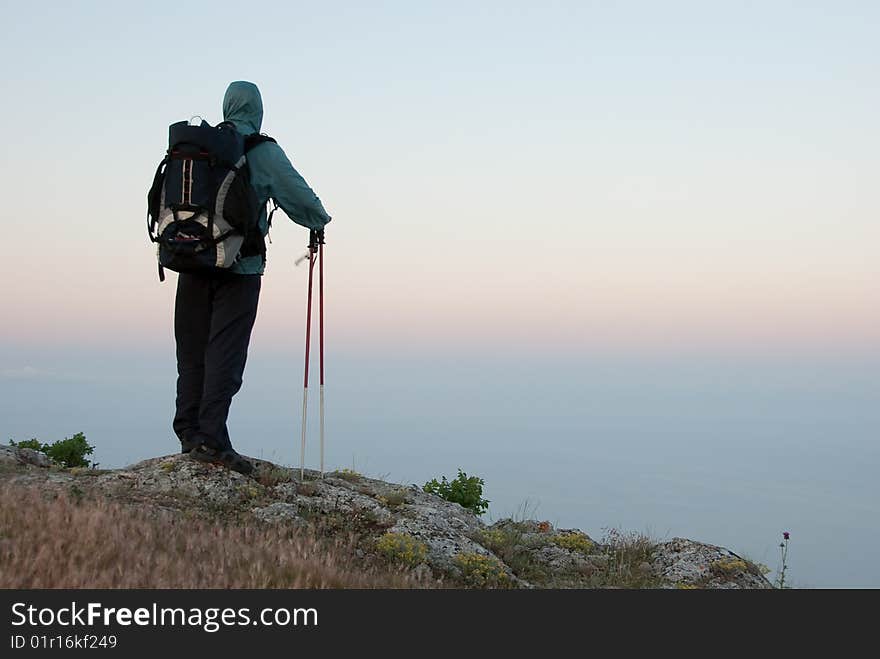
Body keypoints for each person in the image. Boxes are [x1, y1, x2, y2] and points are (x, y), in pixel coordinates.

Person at [173, 80, 331, 475]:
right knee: (225, 353)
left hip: (190, 261)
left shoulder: (198, 149)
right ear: (257, 110)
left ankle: (189, 432)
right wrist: (319, 222)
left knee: (192, 352)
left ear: (226, 106)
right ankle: (212, 438)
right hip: (238, 268)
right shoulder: (260, 150)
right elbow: (301, 198)